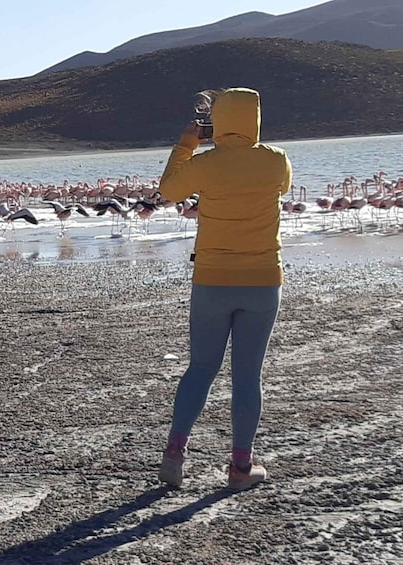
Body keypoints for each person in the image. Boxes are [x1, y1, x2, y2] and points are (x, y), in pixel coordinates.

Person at [156, 88, 293, 491]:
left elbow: (169, 191)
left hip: (213, 280)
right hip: (263, 280)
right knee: (247, 375)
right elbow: (282, 189)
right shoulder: (276, 160)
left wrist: (188, 143)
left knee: (201, 368)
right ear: (254, 118)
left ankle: (174, 455)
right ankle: (240, 467)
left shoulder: (205, 163)